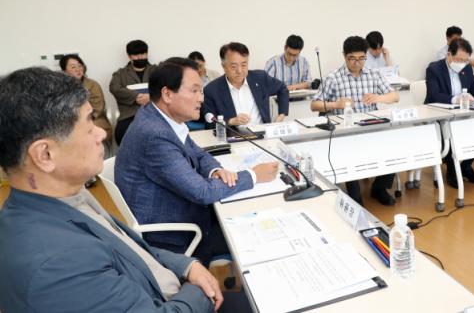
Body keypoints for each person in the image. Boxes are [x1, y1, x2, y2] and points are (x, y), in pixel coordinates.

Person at [0, 67, 250, 313]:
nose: (101, 133)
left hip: (165, 282)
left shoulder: (66, 195)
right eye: (89, 124)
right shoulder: (56, 264)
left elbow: (129, 248)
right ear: (45, 154)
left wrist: (187, 266)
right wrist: (199, 289)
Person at [116, 57, 279, 265]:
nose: (201, 98)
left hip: (182, 213)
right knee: (258, 233)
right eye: (194, 91)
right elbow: (203, 192)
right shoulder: (155, 135)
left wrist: (215, 171)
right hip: (175, 237)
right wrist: (254, 175)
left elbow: (198, 153)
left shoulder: (158, 116)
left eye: (201, 91)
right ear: (167, 94)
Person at [311, 36, 400, 205]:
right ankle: (355, 195)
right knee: (348, 153)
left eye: (361, 58)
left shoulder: (374, 74)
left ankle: (379, 188)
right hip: (345, 133)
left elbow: (395, 96)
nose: (357, 63)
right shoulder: (333, 78)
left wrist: (379, 98)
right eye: (352, 58)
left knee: (393, 146)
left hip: (371, 128)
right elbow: (314, 105)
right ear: (344, 56)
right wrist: (336, 104)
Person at [426, 38, 474, 188]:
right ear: (449, 54)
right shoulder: (434, 69)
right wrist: (455, 99)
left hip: (462, 114)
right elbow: (434, 95)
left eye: (465, 60)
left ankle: (465, 167)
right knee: (452, 134)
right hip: (439, 115)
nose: (462, 63)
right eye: (459, 59)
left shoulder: (466, 68)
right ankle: (452, 172)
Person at [204, 42, 288, 127]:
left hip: (262, 132)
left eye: (244, 65)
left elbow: (282, 88)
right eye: (234, 66)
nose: (239, 71)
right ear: (224, 66)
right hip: (233, 134)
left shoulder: (260, 78)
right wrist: (230, 121)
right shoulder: (212, 90)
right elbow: (209, 123)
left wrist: (281, 115)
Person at [109, 39, 157, 145]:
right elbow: (114, 88)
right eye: (136, 55)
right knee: (123, 134)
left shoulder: (157, 70)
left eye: (143, 54)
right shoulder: (120, 74)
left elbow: (166, 87)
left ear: (147, 53)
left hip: (155, 114)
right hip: (129, 116)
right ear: (129, 56)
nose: (140, 57)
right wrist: (136, 97)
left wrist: (151, 97)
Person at [60, 54, 113, 146]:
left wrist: (78, 122)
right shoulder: (59, 88)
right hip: (69, 123)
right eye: (73, 67)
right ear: (64, 71)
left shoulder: (92, 85)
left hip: (93, 120)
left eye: (80, 66)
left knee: (79, 134)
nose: (78, 69)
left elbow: (97, 109)